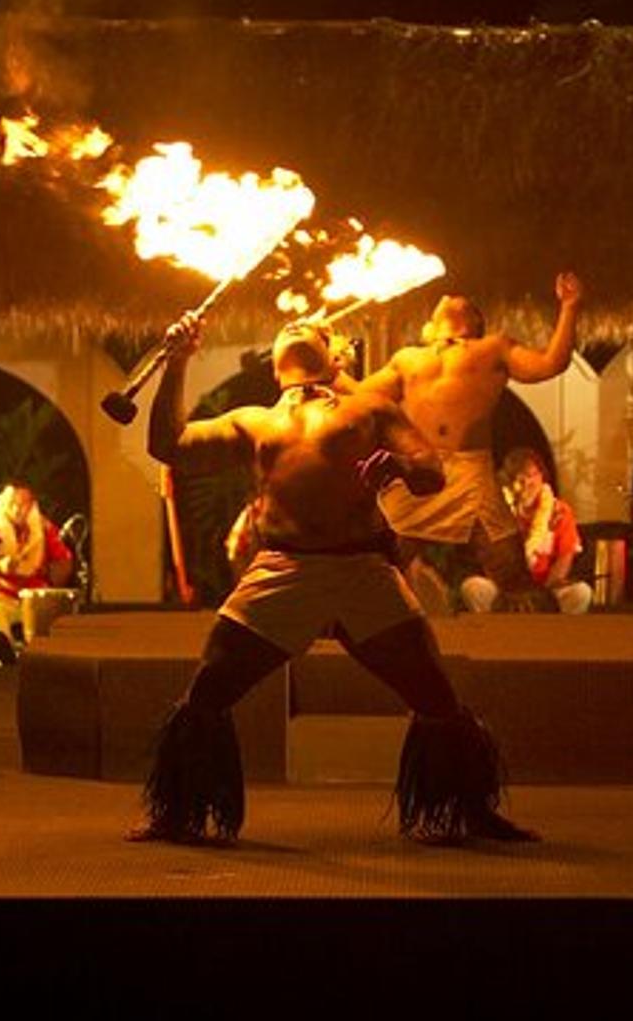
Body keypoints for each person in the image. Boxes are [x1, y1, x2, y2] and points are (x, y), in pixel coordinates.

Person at [130, 315, 535, 847]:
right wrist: (178, 363)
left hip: (361, 570)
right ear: (274, 366)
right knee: (207, 690)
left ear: (335, 357)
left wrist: (398, 466)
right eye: (288, 326)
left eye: (312, 327)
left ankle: (469, 812)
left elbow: (432, 470)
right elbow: (169, 445)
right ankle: (179, 814)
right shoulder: (253, 421)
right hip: (282, 570)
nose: (297, 324)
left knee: (436, 696)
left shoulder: (369, 409)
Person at [365, 273, 583, 609]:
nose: (452, 295)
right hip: (418, 469)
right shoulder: (407, 359)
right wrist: (329, 367)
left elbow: (550, 364)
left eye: (463, 302)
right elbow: (359, 400)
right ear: (431, 325)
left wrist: (570, 307)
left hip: (471, 472)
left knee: (512, 573)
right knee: (376, 561)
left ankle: (538, 644)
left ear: (474, 323)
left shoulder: (493, 348)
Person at [461, 448, 591, 614]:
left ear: (542, 476)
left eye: (531, 476)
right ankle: (496, 635)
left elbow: (565, 558)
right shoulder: (499, 513)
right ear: (507, 482)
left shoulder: (559, 512)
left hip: (547, 591)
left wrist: (541, 596)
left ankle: (556, 636)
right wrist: (512, 592)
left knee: (581, 593)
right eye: (518, 478)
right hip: (506, 590)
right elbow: (490, 559)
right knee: (473, 587)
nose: (525, 484)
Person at [0, 483, 72, 664]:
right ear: (2, 501)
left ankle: (46, 663)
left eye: (23, 504)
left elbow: (63, 561)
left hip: (31, 599)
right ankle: (4, 655)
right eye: (12, 503)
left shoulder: (44, 528)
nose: (17, 509)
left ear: (31, 505)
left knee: (50, 609)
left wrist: (49, 575)